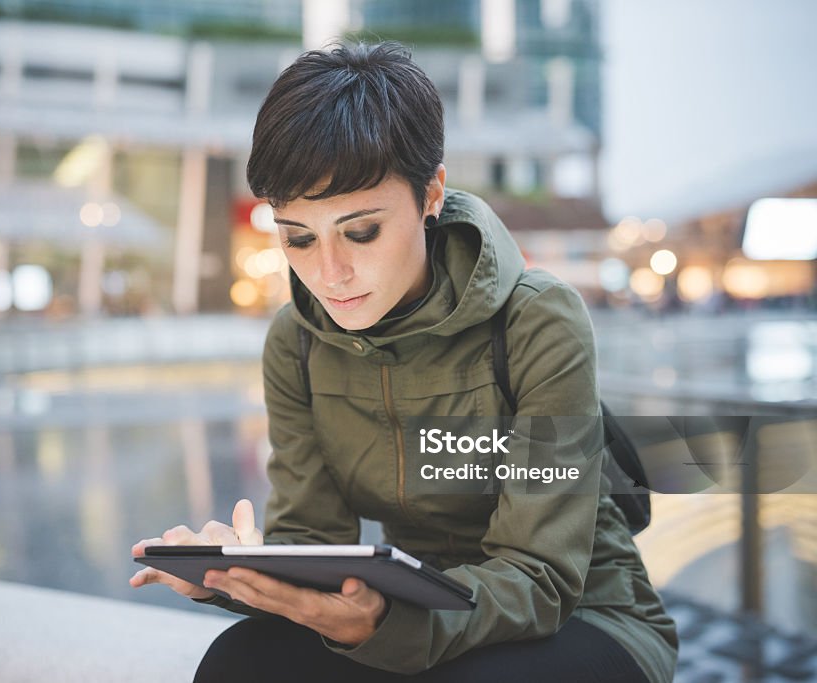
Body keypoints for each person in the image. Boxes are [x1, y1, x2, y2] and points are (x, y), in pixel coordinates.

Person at [130, 42, 678, 682]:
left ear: (431, 194)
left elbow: (542, 577)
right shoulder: (298, 342)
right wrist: (237, 574)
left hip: (584, 615)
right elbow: (316, 545)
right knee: (241, 662)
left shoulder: (537, 319)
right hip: (411, 610)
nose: (329, 274)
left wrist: (389, 624)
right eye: (297, 237)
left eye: (361, 231)